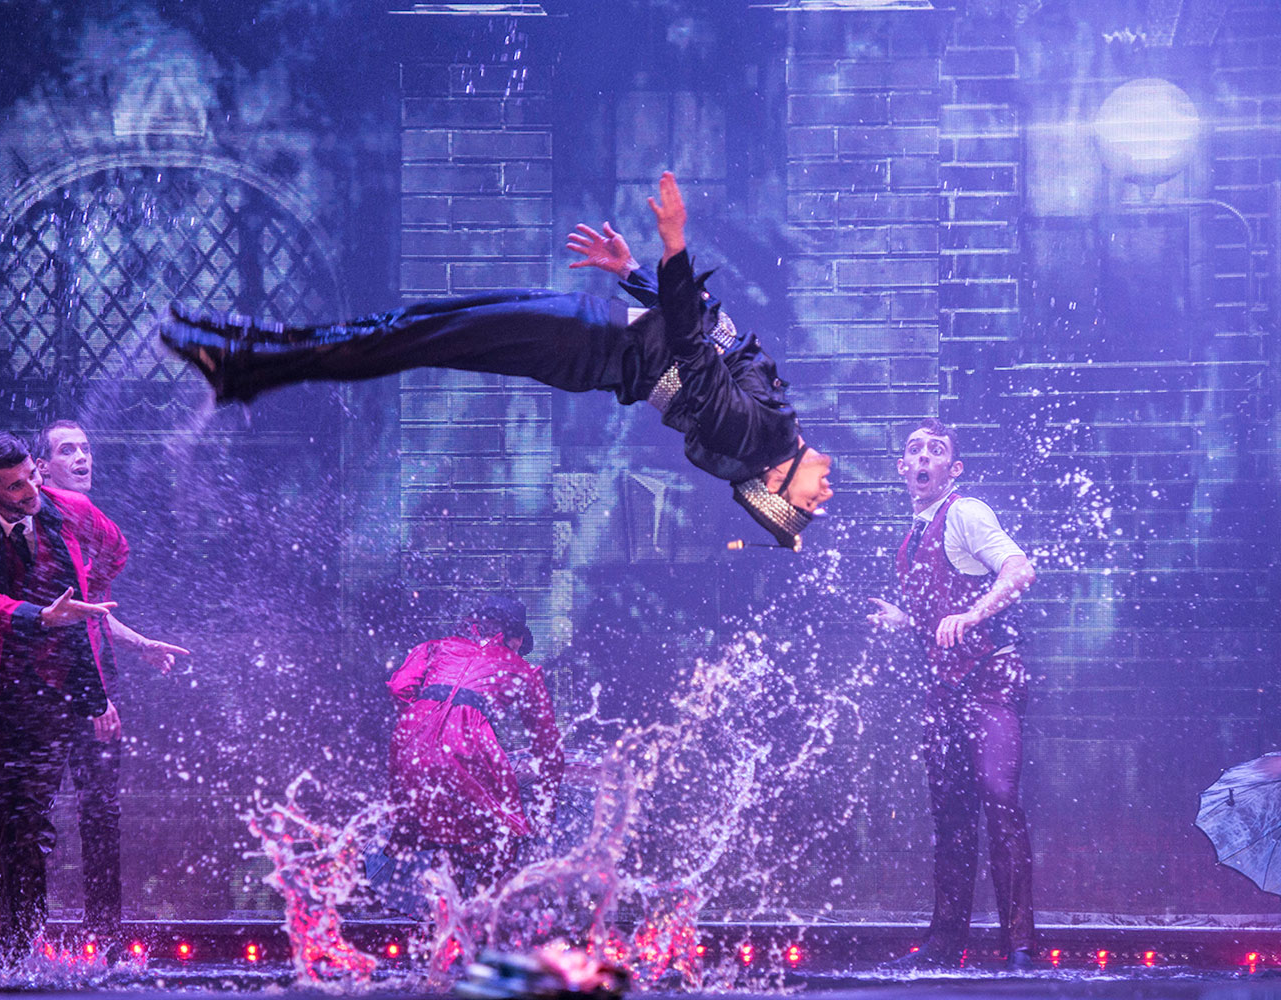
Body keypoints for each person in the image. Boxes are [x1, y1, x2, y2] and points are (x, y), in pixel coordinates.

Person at [157, 172, 833, 550]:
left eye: (802, 506)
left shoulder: (757, 436)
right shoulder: (769, 422)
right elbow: (711, 333)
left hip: (587, 344)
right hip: (596, 335)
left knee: (415, 336)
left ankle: (246, 365)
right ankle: (248, 354)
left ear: (776, 478)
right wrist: (633, 271)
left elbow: (689, 344)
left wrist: (674, 245)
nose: (822, 498)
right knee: (416, 326)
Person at [0, 423, 187, 965]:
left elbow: (115, 550)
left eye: (31, 479)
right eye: (16, 487)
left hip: (50, 693)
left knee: (32, 824)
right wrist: (41, 615)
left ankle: (22, 950)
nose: (29, 493)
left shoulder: (65, 510)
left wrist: (93, 601)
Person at [867, 419, 1037, 970]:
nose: (922, 458)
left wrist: (972, 612)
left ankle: (1021, 947)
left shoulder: (966, 511)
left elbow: (1019, 570)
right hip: (943, 689)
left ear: (952, 468)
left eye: (935, 451)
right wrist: (907, 620)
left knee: (999, 802)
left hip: (990, 680)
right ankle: (946, 944)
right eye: (913, 450)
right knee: (951, 817)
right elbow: (939, 622)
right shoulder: (908, 540)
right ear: (901, 467)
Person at [383, 595, 563, 895]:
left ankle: (441, 916)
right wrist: (547, 803)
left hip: (409, 740)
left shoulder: (434, 647)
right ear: (513, 637)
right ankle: (478, 915)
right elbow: (547, 744)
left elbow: (400, 687)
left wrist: (425, 723)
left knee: (444, 832)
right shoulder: (522, 670)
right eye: (519, 641)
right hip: (468, 743)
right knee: (504, 833)